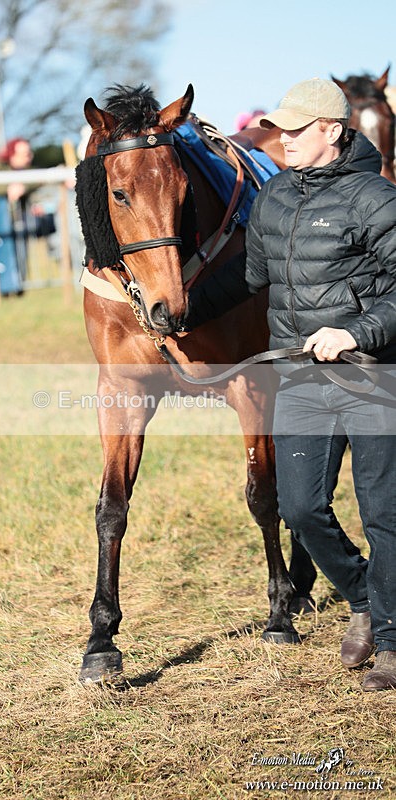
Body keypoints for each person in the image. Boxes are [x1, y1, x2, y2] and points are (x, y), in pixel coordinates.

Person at [186, 78, 396, 691]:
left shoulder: (377, 198)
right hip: (301, 375)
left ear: (331, 131)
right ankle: (365, 596)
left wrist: (357, 332)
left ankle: (390, 639)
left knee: (384, 514)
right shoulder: (273, 198)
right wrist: (182, 312)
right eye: (279, 128)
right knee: (300, 508)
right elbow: (251, 277)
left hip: (371, 376)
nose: (282, 139)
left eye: (297, 130)